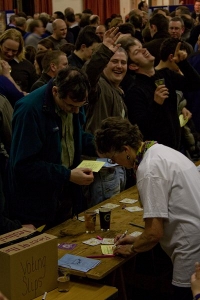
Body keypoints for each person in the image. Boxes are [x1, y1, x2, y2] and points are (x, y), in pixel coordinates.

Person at [94, 116, 200, 300]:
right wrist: (137, 238)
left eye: (113, 158)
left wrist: (133, 248)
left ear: (126, 150)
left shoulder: (149, 169)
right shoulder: (160, 150)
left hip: (190, 246)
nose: (115, 163)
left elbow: (154, 234)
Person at [7, 67, 96, 229]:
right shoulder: (29, 110)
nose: (76, 111)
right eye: (70, 106)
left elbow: (76, 137)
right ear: (55, 91)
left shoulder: (74, 99)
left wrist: (101, 147)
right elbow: (23, 165)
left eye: (80, 106)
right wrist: (67, 174)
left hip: (65, 196)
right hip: (35, 205)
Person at [119, 36, 200, 150]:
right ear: (133, 66)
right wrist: (156, 104)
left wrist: (183, 64)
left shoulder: (165, 75)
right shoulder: (135, 91)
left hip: (175, 147)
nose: (144, 50)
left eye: (142, 47)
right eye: (137, 51)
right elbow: (141, 128)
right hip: (156, 154)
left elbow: (195, 85)